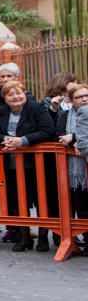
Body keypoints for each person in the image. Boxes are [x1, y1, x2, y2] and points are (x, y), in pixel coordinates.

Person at [0, 80, 56, 252]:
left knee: (41, 202)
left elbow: (48, 130)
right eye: (11, 94)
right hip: (11, 165)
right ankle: (24, 237)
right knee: (18, 201)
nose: (16, 97)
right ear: (4, 98)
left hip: (36, 164)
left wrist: (22, 141)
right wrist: (5, 140)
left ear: (25, 94)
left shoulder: (36, 109)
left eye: (19, 93)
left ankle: (42, 238)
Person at [58, 84, 88, 250]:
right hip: (75, 170)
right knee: (81, 205)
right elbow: (59, 135)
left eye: (86, 95)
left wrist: (74, 137)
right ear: (70, 100)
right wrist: (70, 138)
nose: (84, 99)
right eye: (79, 97)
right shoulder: (65, 116)